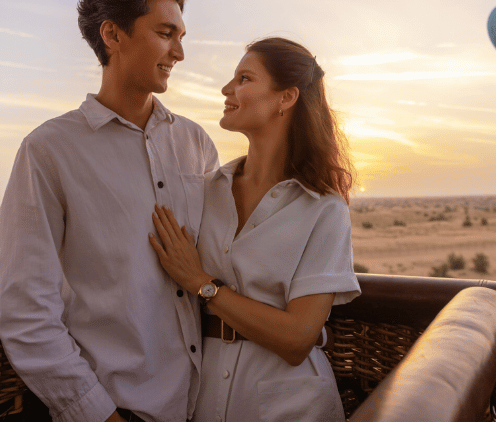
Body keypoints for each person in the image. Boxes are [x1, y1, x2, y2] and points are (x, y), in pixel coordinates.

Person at [0, 0, 219, 422]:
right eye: (165, 33)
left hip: (210, 403)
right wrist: (96, 414)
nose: (179, 52)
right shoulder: (48, 151)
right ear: (113, 35)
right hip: (120, 409)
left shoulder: (197, 144)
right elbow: (26, 311)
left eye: (181, 36)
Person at [148, 37, 360, 422]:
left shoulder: (324, 208)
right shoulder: (204, 191)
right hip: (202, 396)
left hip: (291, 404)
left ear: (286, 97)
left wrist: (202, 282)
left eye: (244, 78)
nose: (227, 90)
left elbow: (298, 338)